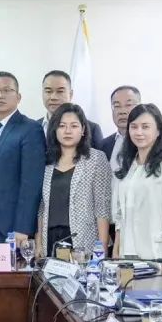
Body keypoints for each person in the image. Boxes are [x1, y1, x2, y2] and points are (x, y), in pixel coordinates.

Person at [111, 104, 162, 272]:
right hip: (126, 253)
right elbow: (120, 215)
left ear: (158, 131)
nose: (139, 132)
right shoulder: (127, 167)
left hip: (157, 254)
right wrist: (116, 248)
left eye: (145, 127)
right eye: (134, 127)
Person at [0, 72, 46, 244]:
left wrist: (23, 227)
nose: (0, 95)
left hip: (12, 225)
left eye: (7, 90)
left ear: (18, 97)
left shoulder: (30, 129)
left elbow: (31, 183)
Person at [38, 103, 111, 257]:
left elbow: (102, 207)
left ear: (83, 129)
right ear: (54, 130)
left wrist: (102, 246)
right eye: (62, 126)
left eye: (74, 126)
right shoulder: (46, 161)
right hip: (50, 238)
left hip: (82, 239)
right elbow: (41, 207)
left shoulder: (96, 159)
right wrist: (38, 241)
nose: (68, 131)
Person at [37, 70, 104, 146]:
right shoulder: (33, 128)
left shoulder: (92, 129)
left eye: (60, 91)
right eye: (48, 91)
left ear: (70, 94)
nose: (53, 97)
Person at [98, 85, 141, 169]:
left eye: (128, 105)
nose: (122, 111)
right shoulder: (103, 146)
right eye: (117, 106)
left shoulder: (148, 142)